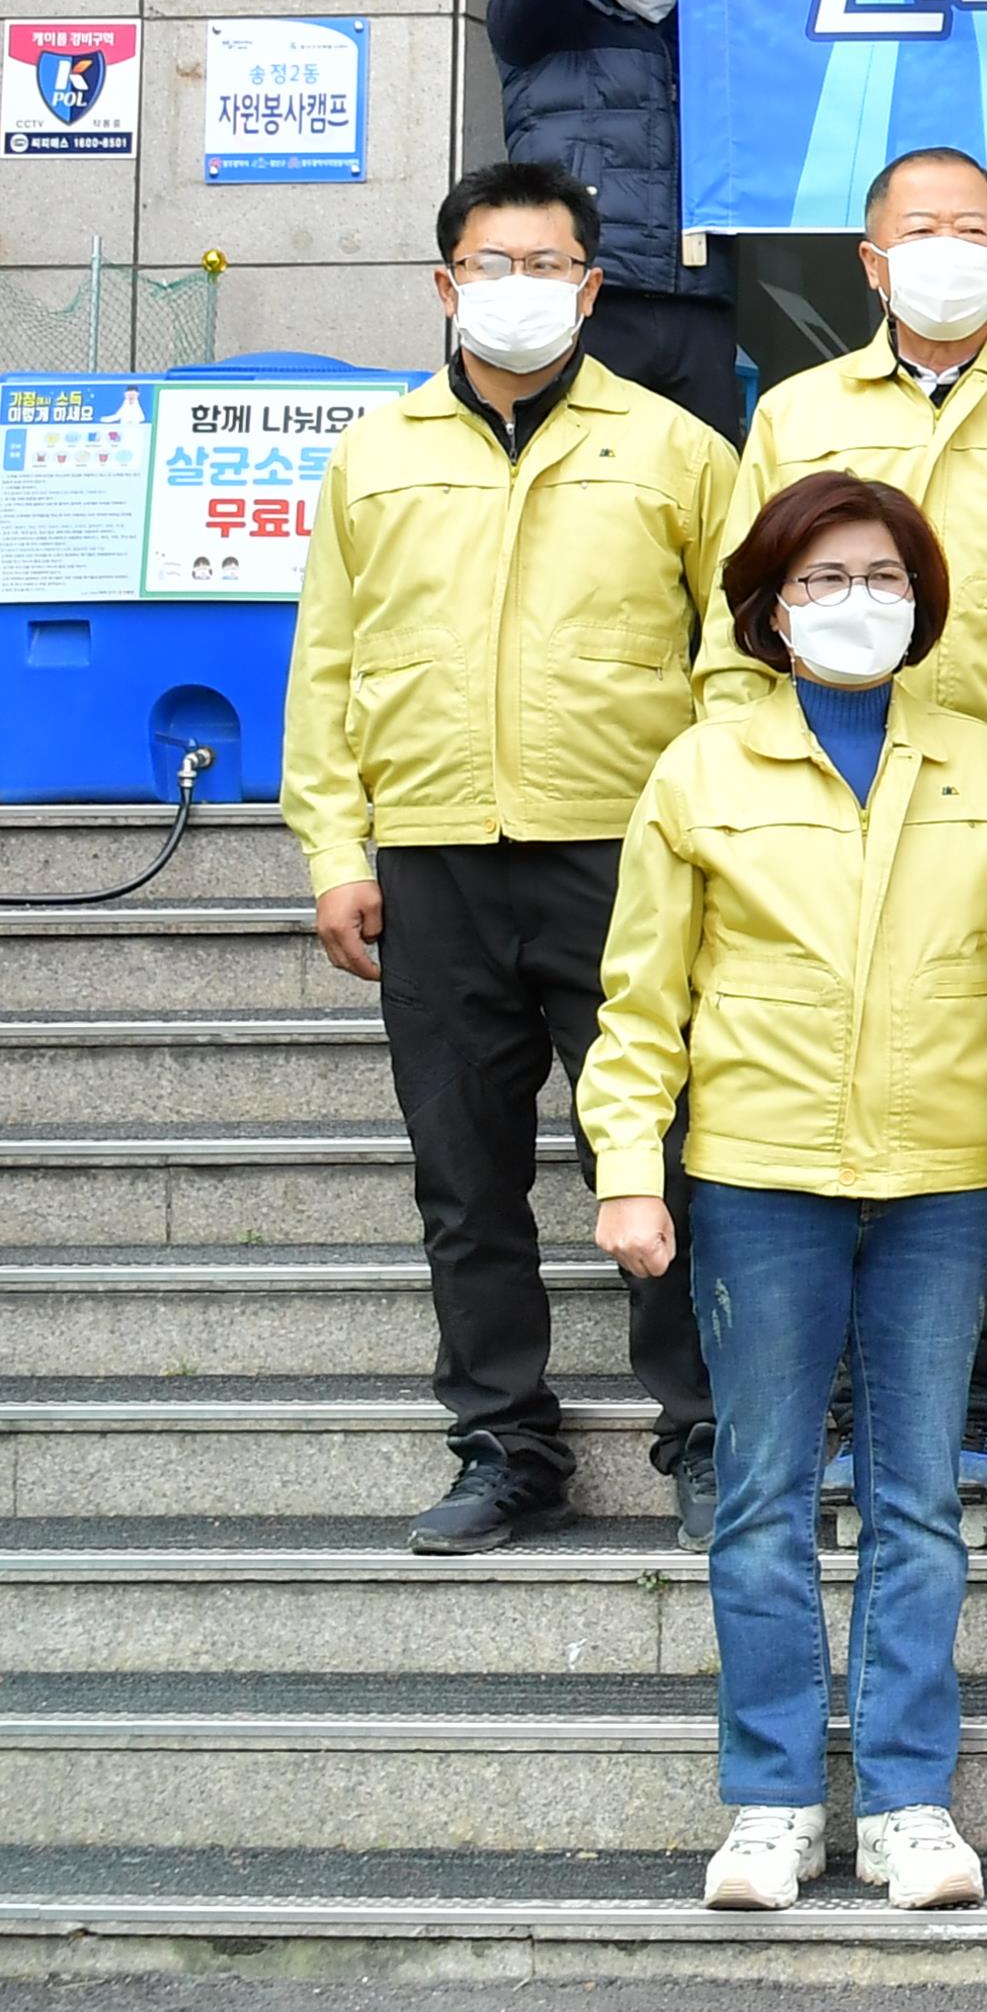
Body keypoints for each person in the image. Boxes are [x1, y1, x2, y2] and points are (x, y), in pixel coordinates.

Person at [578, 472, 987, 1915]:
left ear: (924, 602)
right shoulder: (701, 773)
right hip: (760, 1174)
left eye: (885, 578)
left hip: (941, 1178)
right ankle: (772, 1802)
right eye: (826, 579)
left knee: (919, 1499)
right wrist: (629, 1172)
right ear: (771, 610)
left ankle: (908, 1803)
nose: (859, 603)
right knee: (763, 1498)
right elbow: (641, 999)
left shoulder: (983, 768)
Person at [283, 159, 730, 1555]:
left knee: (659, 1153)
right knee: (464, 1175)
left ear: (589, 291)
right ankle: (503, 1444)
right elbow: (328, 664)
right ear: (445, 283)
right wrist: (336, 847)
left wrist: (714, 842)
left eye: (546, 267)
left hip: (622, 858)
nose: (516, 290)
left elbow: (734, 661)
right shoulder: (375, 455)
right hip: (433, 857)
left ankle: (706, 1433)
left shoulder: (675, 450)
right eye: (492, 264)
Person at [701, 144, 987, 1522]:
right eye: (921, 228)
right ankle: (844, 1404)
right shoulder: (800, 413)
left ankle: (978, 1404)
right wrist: (742, 770)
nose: (949, 250)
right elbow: (737, 612)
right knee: (840, 1072)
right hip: (823, 788)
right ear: (871, 261)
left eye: (974, 230)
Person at [486, 0, 743, 439]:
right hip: (589, 289)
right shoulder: (539, 22)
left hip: (698, 294)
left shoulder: (706, 30)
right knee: (585, 467)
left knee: (710, 474)